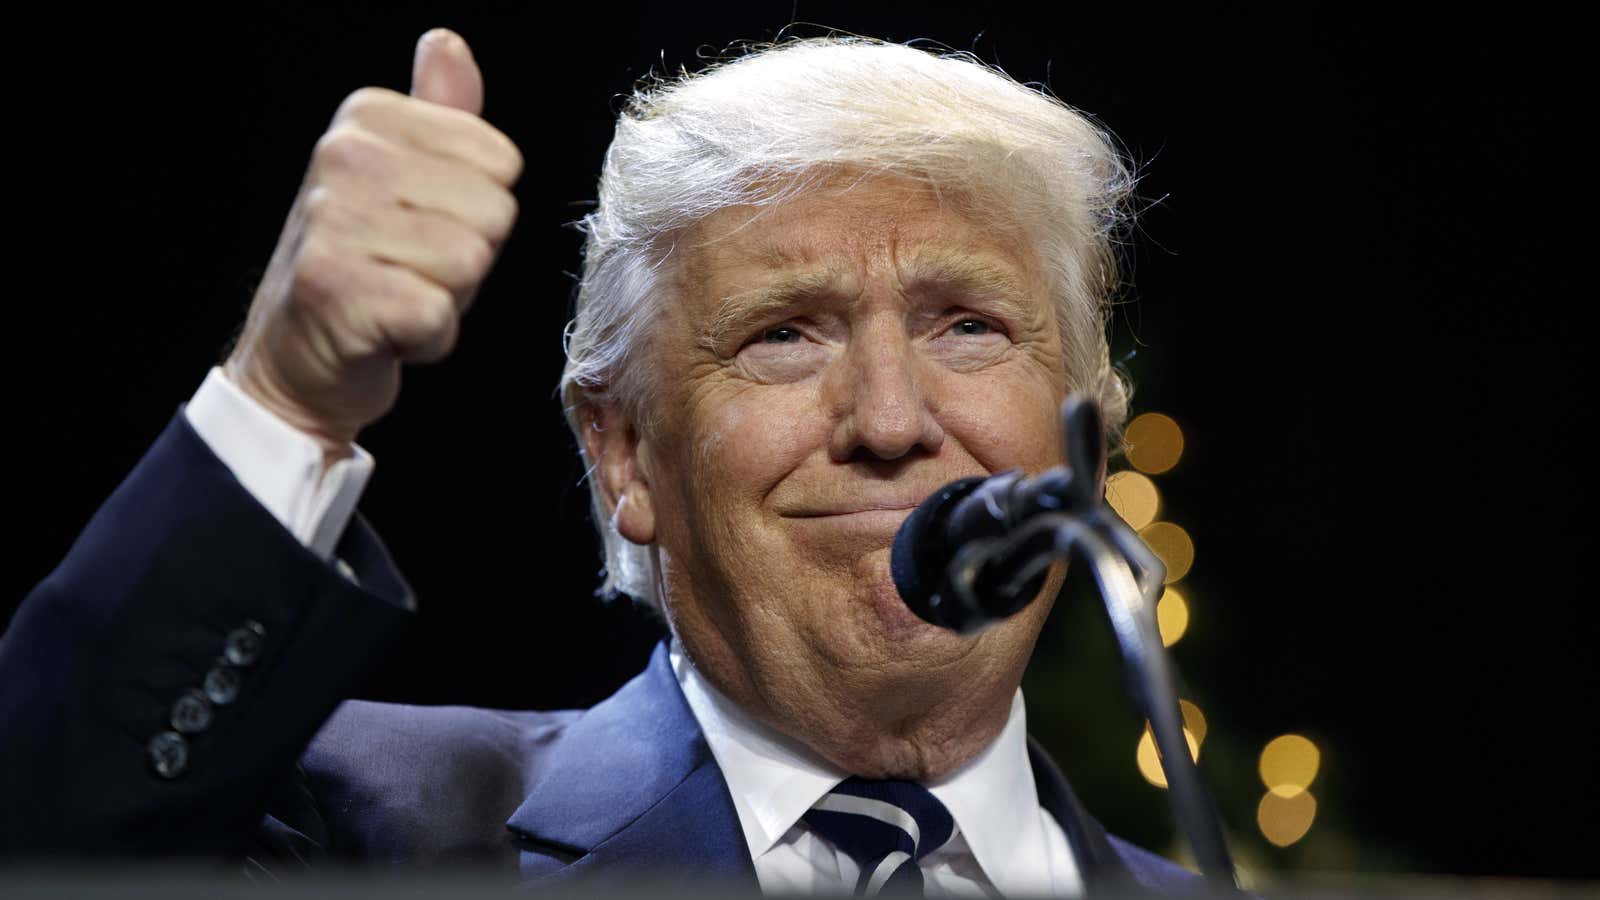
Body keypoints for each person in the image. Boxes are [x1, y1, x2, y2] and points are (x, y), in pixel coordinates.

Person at [1, 27, 1197, 895]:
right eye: (784, 334)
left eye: (968, 326)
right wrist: (286, 396)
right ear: (621, 452)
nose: (888, 419)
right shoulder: (347, 822)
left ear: (1086, 450)